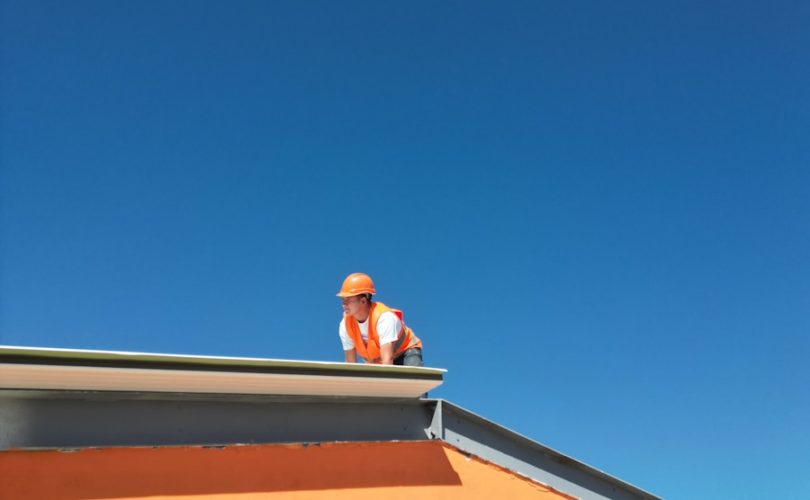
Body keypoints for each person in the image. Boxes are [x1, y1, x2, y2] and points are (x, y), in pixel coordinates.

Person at [337, 273, 423, 366]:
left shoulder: (384, 318)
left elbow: (387, 361)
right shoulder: (345, 325)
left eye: (348, 299)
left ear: (363, 301)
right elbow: (351, 364)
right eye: (343, 299)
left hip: (405, 352)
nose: (344, 304)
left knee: (412, 375)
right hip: (378, 361)